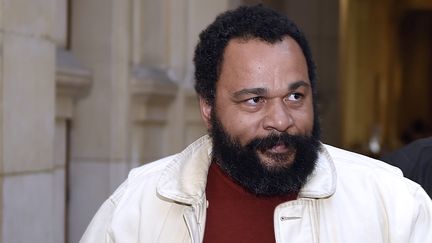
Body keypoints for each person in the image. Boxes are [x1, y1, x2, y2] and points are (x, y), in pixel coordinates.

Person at [80, 5, 432, 243]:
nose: (280, 120)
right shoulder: (138, 207)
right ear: (207, 107)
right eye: (254, 100)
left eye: (295, 96)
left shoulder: (394, 205)